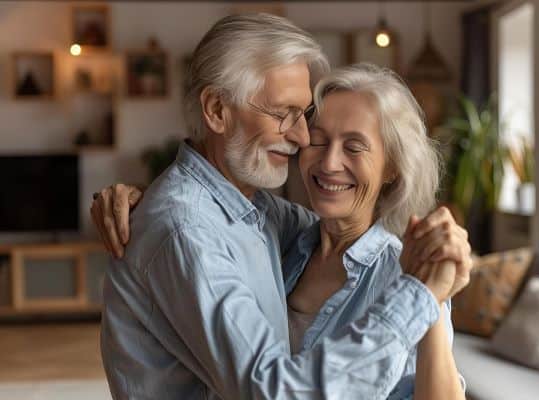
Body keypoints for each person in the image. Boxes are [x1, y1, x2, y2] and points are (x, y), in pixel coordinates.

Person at [91, 14, 471, 400]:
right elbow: (271, 391)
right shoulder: (190, 227)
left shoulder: (273, 223)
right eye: (283, 114)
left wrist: (429, 297)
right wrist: (419, 298)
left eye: (302, 115)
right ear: (217, 111)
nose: (302, 138)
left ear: (392, 166)